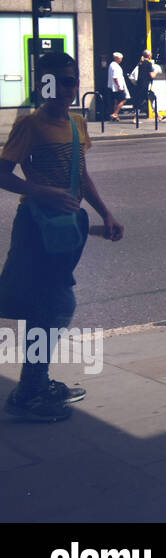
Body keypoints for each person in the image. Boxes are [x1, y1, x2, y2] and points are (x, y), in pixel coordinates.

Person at [0, 52, 124, 422]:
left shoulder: (76, 124)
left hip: (65, 226)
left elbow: (81, 175)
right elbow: (3, 174)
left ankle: (36, 383)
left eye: (73, 80)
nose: (69, 88)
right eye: (61, 81)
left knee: (46, 305)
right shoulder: (29, 125)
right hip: (37, 225)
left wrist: (106, 213)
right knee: (57, 305)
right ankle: (29, 392)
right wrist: (40, 191)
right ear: (43, 85)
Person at [131, 50, 161, 120]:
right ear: (149, 55)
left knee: (151, 99)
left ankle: (159, 116)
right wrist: (156, 71)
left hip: (141, 85)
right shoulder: (148, 64)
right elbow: (152, 75)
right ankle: (135, 118)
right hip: (146, 85)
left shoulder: (141, 63)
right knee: (141, 102)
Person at [106, 52, 127, 121]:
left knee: (116, 101)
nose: (121, 60)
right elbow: (115, 77)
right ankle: (115, 113)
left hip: (113, 87)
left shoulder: (112, 65)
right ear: (117, 58)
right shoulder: (115, 66)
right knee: (124, 99)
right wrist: (118, 86)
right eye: (120, 58)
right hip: (117, 87)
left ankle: (115, 116)